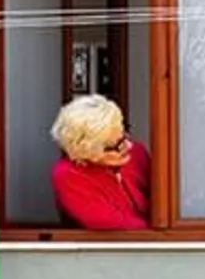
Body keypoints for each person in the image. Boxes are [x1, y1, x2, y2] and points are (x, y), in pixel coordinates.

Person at [50, 94, 150, 230]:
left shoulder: (137, 153)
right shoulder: (68, 176)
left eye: (124, 134)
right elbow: (114, 224)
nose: (129, 145)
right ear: (87, 151)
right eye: (117, 144)